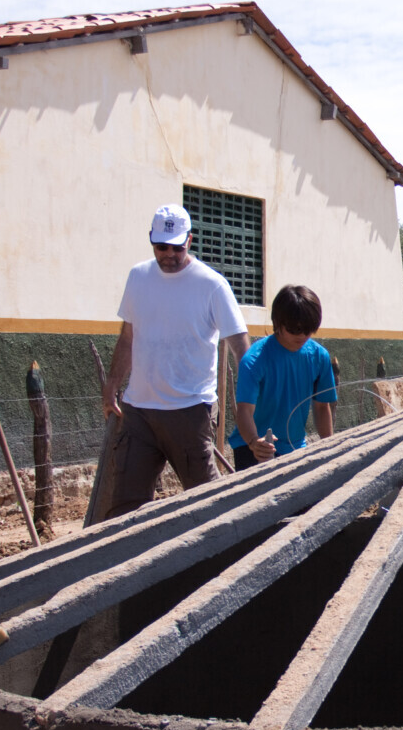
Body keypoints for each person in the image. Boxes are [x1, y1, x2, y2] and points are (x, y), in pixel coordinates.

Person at [101, 204, 249, 519]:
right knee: (125, 507)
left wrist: (251, 397)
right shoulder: (138, 277)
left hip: (190, 410)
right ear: (152, 241)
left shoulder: (211, 284)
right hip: (139, 411)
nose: (168, 254)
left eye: (176, 247)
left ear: (190, 241)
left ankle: (224, 561)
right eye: (161, 247)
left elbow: (238, 341)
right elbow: (128, 337)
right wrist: (112, 384)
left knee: (206, 503)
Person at [227, 285, 337, 470]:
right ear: (278, 323)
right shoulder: (254, 360)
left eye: (308, 330)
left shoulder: (319, 357)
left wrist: (330, 448)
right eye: (295, 329)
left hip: (295, 448)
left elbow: (321, 407)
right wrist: (254, 442)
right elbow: (244, 411)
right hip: (253, 449)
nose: (302, 335)